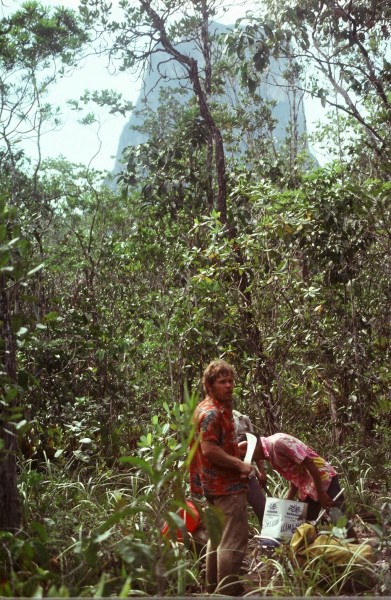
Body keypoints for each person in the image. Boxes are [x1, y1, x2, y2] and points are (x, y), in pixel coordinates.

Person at [189, 360, 253, 596]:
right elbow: (209, 450)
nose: (228, 386)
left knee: (217, 538)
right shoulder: (212, 413)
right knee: (233, 541)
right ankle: (228, 591)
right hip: (225, 485)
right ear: (209, 385)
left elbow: (217, 444)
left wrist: (236, 448)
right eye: (222, 382)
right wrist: (240, 464)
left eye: (231, 381)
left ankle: (213, 589)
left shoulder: (209, 408)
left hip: (212, 485)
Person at [245, 432, 356, 537]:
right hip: (307, 488)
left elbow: (309, 462)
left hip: (323, 480)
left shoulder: (278, 442)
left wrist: (321, 492)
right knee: (307, 526)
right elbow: (294, 476)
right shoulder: (270, 454)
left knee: (339, 519)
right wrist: (286, 502)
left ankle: (357, 551)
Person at [233, 410, 267, 528]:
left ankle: (268, 540)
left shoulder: (242, 418)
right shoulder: (214, 418)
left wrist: (261, 472)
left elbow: (254, 446)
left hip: (248, 473)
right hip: (229, 475)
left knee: (262, 508)